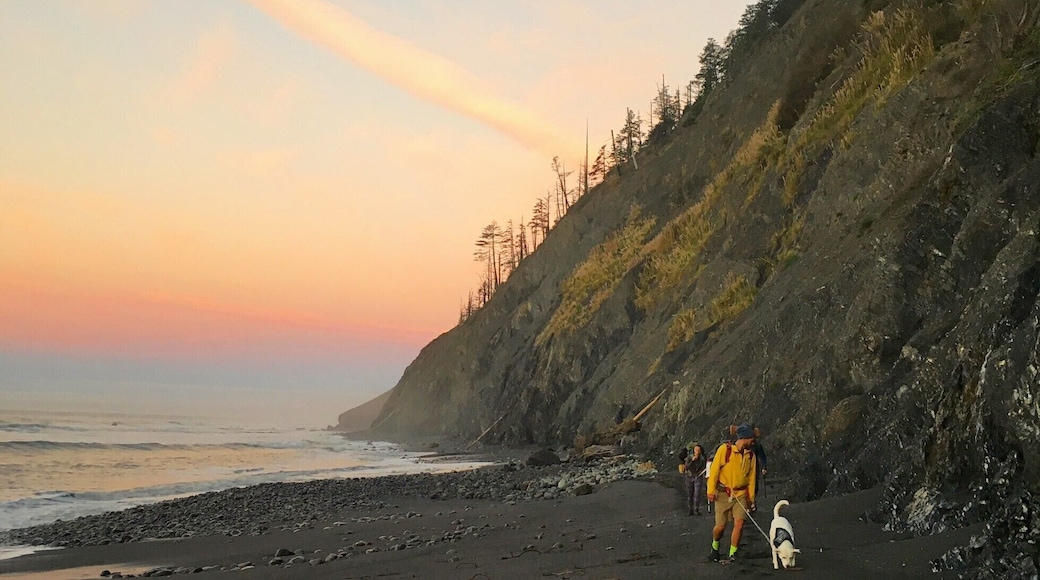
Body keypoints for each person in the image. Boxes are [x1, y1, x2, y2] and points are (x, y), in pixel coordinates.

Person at [706, 423, 759, 563]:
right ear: (745, 438)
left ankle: (732, 553)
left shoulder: (751, 455)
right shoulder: (725, 450)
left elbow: (752, 479)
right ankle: (715, 547)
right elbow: (714, 471)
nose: (753, 441)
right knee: (720, 527)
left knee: (739, 523)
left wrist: (751, 499)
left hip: (741, 494)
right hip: (723, 494)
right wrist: (710, 491)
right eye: (752, 438)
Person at [683, 442, 707, 515]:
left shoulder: (702, 459)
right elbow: (686, 467)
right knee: (690, 493)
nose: (697, 452)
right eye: (696, 450)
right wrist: (692, 461)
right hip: (689, 476)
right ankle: (690, 509)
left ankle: (696, 509)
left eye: (699, 450)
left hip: (698, 476)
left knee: (697, 494)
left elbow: (704, 467)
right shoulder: (689, 458)